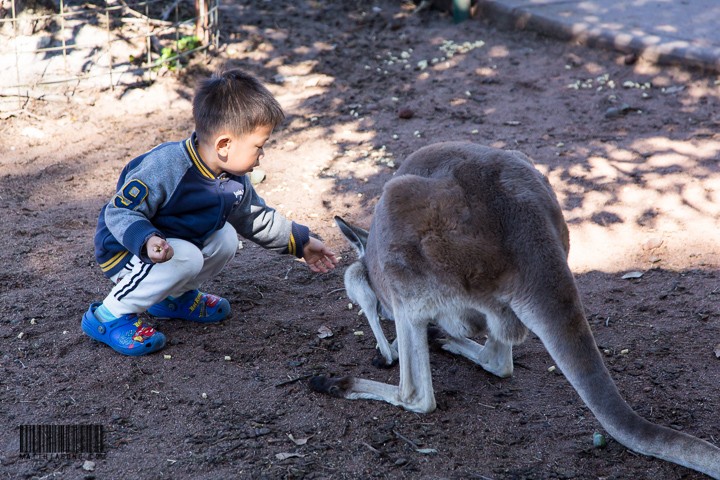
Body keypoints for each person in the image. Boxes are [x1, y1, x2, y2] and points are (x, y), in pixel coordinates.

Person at [82, 68, 338, 356]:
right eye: (258, 147)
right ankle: (108, 315)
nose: (262, 156)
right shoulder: (167, 166)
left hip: (170, 249)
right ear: (224, 145)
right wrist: (146, 239)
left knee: (226, 236)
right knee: (188, 257)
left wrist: (300, 242)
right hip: (127, 252)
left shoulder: (232, 177)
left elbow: (254, 217)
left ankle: (173, 300)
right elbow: (118, 212)